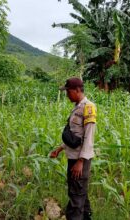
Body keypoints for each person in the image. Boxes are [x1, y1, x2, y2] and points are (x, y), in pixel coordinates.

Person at [50, 77, 97, 220]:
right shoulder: (77, 107)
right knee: (80, 193)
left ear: (77, 90)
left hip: (79, 161)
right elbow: (75, 136)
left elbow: (89, 137)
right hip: (73, 158)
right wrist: (60, 148)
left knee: (76, 198)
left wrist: (81, 161)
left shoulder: (88, 107)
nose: (67, 95)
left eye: (68, 91)